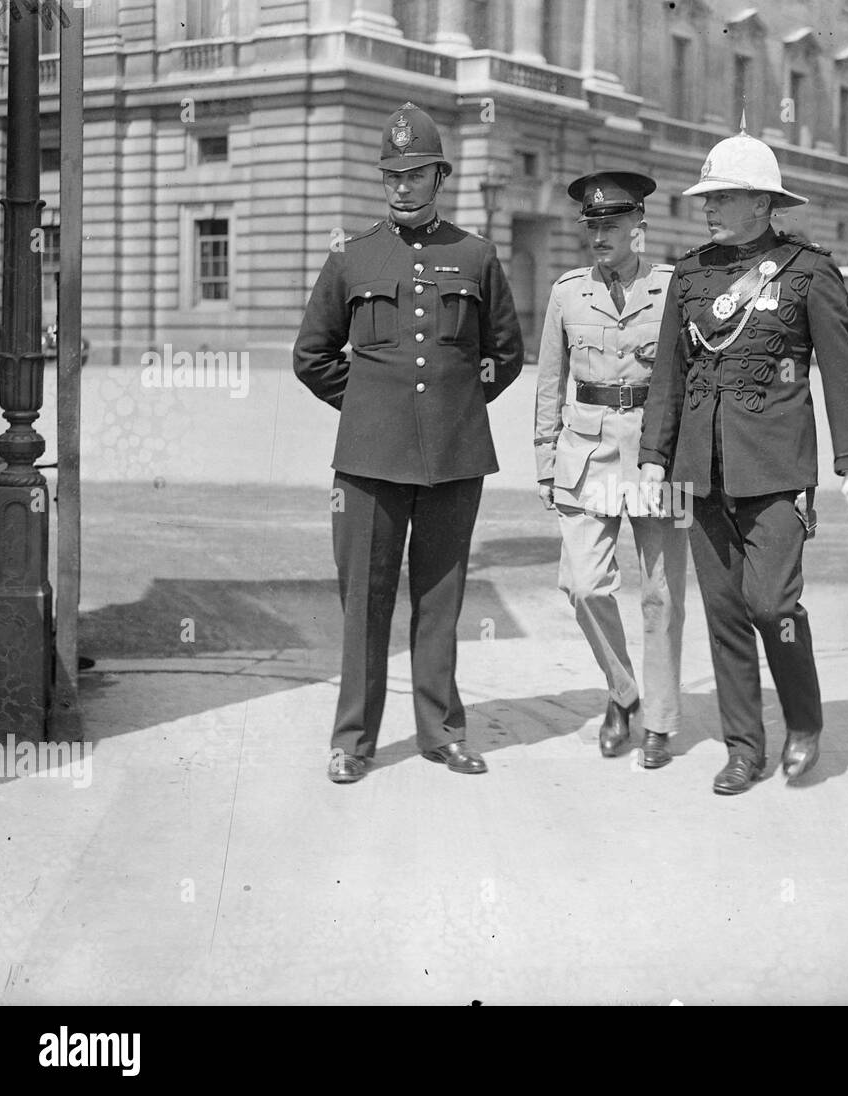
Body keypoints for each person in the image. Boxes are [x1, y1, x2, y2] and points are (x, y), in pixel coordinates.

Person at [639, 124, 848, 795]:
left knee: (771, 601)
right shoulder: (690, 276)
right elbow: (667, 373)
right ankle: (744, 748)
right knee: (723, 612)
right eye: (707, 197)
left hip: (776, 471)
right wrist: (654, 460)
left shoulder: (808, 274)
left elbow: (843, 377)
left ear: (761, 202)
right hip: (701, 470)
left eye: (722, 196)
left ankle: (803, 722)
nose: (708, 207)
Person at [293, 103, 523, 784]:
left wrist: (452, 407)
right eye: (391, 174)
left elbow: (504, 355)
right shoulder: (352, 257)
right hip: (368, 460)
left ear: (440, 176)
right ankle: (352, 741)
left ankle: (442, 733)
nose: (401, 186)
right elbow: (312, 355)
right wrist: (368, 407)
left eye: (416, 173)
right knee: (364, 601)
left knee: (441, 598)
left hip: (454, 458)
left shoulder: (476, 256)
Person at [534, 171, 688, 768]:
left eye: (612, 225)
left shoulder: (674, 289)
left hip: (659, 454)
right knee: (582, 584)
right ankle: (623, 692)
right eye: (591, 225)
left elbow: (689, 384)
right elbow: (550, 381)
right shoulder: (567, 292)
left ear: (638, 229)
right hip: (586, 450)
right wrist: (546, 461)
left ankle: (661, 722)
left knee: (661, 595)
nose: (599, 235)